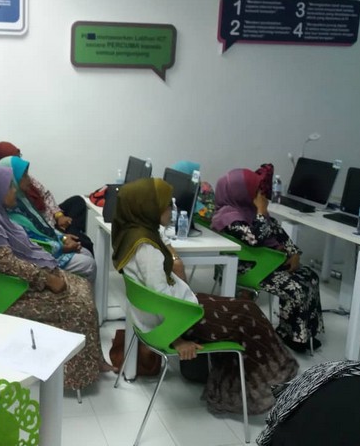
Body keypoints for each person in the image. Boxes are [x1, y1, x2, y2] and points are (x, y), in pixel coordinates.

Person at [111, 178, 298, 415]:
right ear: (150, 209)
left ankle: (256, 383)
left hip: (177, 311)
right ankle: (261, 387)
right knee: (248, 317)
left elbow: (160, 291)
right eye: (167, 206)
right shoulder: (146, 249)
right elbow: (162, 301)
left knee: (245, 309)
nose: (171, 210)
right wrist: (177, 341)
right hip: (179, 319)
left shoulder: (132, 233)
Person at [0, 166, 114, 391]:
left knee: (82, 286)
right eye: (9, 186)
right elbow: (8, 264)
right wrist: (47, 279)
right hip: (14, 293)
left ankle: (92, 360)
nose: (14, 190)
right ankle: (74, 376)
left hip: (24, 282)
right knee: (81, 306)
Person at [211, 168, 324, 353]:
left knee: (310, 277)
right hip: (249, 269)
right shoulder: (228, 217)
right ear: (239, 192)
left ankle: (302, 334)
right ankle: (292, 336)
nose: (259, 194)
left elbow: (276, 231)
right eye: (254, 190)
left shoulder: (249, 210)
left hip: (269, 263)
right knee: (296, 288)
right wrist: (262, 211)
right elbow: (254, 239)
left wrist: (294, 252)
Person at [0, 155, 96, 283]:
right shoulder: (10, 211)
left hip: (51, 239)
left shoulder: (22, 200)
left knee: (86, 250)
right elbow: (29, 246)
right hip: (38, 258)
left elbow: (42, 224)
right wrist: (62, 247)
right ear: (11, 179)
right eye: (24, 175)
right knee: (88, 263)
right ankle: (79, 291)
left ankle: (82, 292)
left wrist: (63, 237)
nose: (29, 179)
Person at [0, 141, 94, 254]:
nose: (20, 160)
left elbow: (45, 194)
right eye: (15, 157)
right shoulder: (7, 193)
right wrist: (61, 237)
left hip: (48, 217)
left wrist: (59, 215)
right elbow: (28, 227)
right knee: (85, 243)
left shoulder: (24, 176)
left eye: (19, 156)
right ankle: (72, 232)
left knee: (77, 201)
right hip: (41, 228)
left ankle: (70, 229)